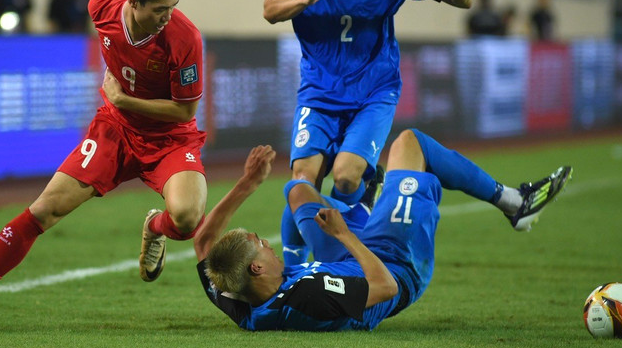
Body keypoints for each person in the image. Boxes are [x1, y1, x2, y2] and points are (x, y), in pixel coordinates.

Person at [0, 0, 207, 323]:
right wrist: (120, 105)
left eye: (173, 6)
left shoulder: (185, 38)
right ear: (133, 1)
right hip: (115, 130)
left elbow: (185, 111)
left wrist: (124, 99)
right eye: (160, 9)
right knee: (44, 209)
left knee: (186, 217)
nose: (169, 17)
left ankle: (153, 226)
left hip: (170, 139)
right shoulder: (102, 1)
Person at [259, 0, 473, 266]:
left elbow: (463, 1)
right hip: (319, 90)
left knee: (344, 176)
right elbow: (270, 8)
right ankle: (293, 265)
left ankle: (345, 261)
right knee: (302, 180)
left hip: (373, 90)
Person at [195, 131, 572, 332]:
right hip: (394, 263)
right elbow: (386, 287)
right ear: (257, 269)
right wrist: (344, 234)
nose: (268, 247)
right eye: (262, 247)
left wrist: (247, 183)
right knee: (410, 144)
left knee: (297, 191)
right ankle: (513, 203)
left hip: (345, 259)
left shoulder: (237, 298)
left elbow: (203, 242)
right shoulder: (308, 296)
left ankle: (365, 207)